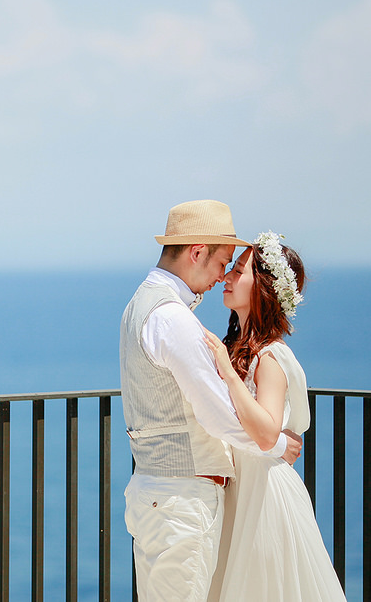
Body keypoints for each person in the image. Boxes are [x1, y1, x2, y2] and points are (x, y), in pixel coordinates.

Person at [120, 200, 302, 602]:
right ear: (197, 252)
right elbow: (218, 415)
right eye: (224, 263)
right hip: (181, 502)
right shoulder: (173, 318)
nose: (223, 276)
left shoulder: (141, 303)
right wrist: (275, 444)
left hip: (155, 495)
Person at [203, 232, 346, 601]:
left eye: (238, 270)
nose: (227, 277)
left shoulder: (270, 357)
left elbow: (267, 434)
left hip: (265, 495)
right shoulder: (239, 347)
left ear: (263, 286)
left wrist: (226, 368)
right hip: (239, 489)